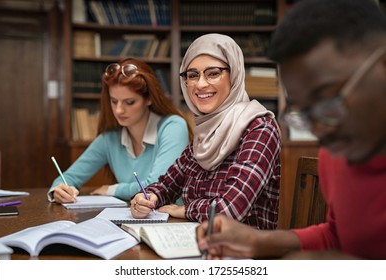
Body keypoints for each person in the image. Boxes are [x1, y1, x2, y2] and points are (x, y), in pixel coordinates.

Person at [196, 0, 386, 260]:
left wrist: (330, 265)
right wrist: (258, 240)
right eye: (304, 112)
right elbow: (339, 235)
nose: (319, 130)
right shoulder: (336, 153)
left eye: (328, 100)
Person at [130, 33, 281, 229]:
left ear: (234, 74)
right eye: (192, 75)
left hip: (245, 251)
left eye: (213, 73)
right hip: (196, 240)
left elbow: (230, 210)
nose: (200, 84)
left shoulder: (259, 129)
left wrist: (185, 210)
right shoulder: (205, 132)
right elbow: (168, 184)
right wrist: (146, 197)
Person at [48, 57, 193, 203]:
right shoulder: (109, 139)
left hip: (172, 221)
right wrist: (59, 190)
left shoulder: (173, 127)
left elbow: (158, 186)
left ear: (149, 99)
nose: (118, 110)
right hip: (133, 218)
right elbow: (69, 177)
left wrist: (113, 190)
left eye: (129, 102)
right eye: (114, 101)